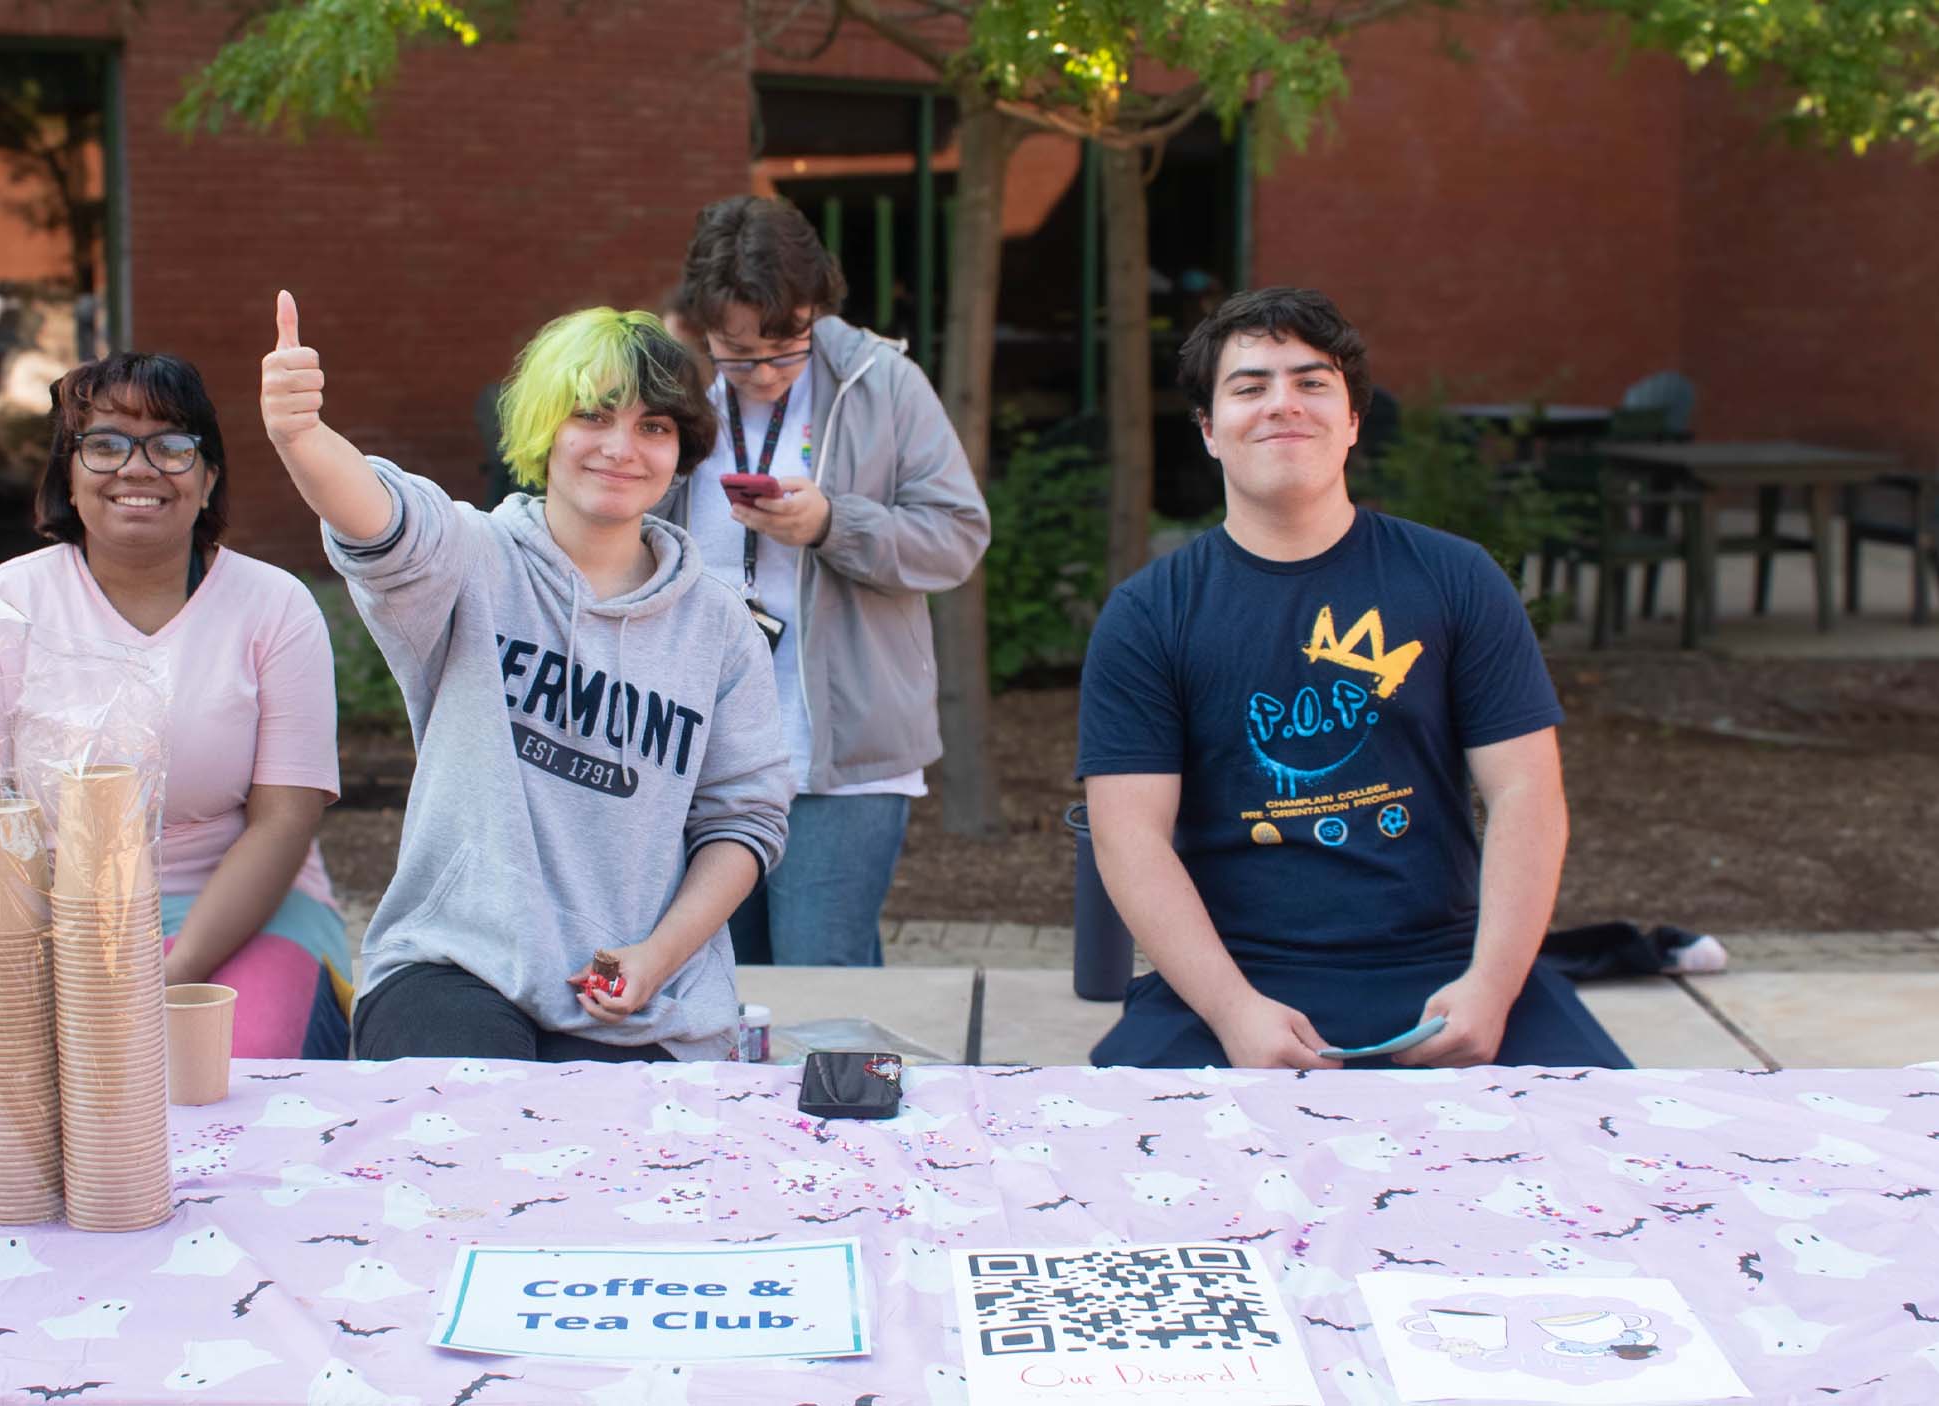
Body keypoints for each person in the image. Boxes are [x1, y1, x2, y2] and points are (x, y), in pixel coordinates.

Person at [1078, 287, 1627, 1070]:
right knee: (1109, 1169)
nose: (1282, 404)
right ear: (1208, 429)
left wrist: (1493, 985)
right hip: (1235, 979)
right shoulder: (1148, 615)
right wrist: (1234, 1012)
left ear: (1353, 421)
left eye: (1311, 382)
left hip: (1448, 966)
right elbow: (1128, 835)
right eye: (1250, 385)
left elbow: (1526, 792)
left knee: (1612, 1159)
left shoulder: (1456, 579)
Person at [262, 293, 792, 1062]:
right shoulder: (474, 558)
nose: (622, 446)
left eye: (654, 426)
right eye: (594, 415)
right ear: (545, 427)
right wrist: (303, 437)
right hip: (455, 967)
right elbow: (381, 518)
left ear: (682, 450)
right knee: (471, 1141)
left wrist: (657, 959)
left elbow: (743, 823)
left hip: (643, 997)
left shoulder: (718, 626)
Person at [0, 351, 351, 1058]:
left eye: (172, 444)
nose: (138, 467)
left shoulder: (276, 607)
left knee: (227, 1070)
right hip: (49, 921)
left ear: (209, 474)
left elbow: (285, 821)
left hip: (245, 912)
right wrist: (49, 963)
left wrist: (172, 975)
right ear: (68, 471)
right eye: (104, 444)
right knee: (21, 1093)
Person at [664, 195, 990, 967]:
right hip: (702, 745)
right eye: (739, 354)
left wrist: (832, 525)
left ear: (817, 308)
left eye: (787, 345)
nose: (767, 373)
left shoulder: (883, 382)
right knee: (710, 978)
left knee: (822, 980)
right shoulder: (675, 386)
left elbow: (957, 536)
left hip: (839, 755)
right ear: (704, 325)